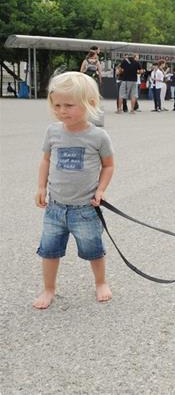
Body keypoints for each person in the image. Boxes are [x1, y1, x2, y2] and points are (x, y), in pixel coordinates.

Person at [33, 71, 114, 309]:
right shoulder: (53, 131)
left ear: (90, 104)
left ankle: (100, 282)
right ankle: (49, 288)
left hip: (85, 209)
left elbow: (109, 166)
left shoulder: (98, 136)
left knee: (94, 250)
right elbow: (46, 160)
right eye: (56, 105)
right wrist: (40, 186)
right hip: (55, 208)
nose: (61, 111)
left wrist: (101, 190)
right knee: (49, 251)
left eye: (69, 105)